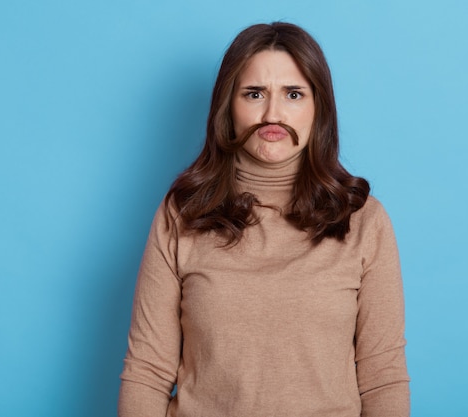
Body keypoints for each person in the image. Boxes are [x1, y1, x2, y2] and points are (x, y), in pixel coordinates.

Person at [118, 22, 410, 416]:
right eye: (254, 94)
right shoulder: (183, 212)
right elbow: (147, 371)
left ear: (318, 107)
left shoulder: (363, 220)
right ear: (228, 106)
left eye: (293, 94)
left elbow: (382, 375)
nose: (273, 112)